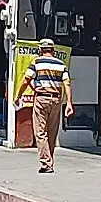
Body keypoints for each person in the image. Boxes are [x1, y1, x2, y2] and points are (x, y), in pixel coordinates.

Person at [20, 41, 71, 174]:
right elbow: (67, 83)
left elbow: (27, 79)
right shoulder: (61, 64)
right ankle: (49, 160)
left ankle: (46, 163)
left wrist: (19, 94)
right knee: (52, 132)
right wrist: (69, 103)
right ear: (53, 50)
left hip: (41, 98)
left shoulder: (36, 62)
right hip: (56, 99)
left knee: (40, 132)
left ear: (41, 50)